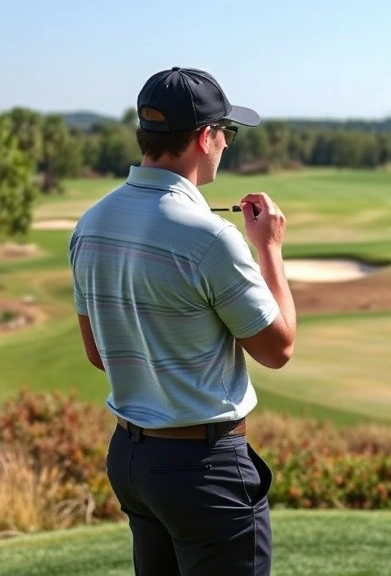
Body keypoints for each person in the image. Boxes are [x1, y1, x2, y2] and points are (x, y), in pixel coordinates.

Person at [68, 66, 296, 576]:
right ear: (203, 137)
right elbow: (277, 349)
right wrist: (270, 250)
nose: (226, 145)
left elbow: (97, 353)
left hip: (131, 459)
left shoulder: (91, 223)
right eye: (227, 134)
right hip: (205, 470)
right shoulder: (210, 237)